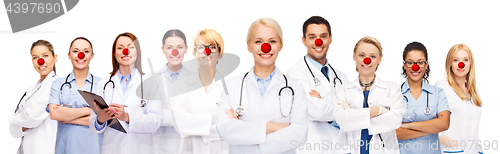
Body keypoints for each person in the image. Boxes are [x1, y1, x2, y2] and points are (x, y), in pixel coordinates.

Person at [215, 18, 308, 154]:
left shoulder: (295, 87)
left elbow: (300, 133)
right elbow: (225, 129)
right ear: (249, 46)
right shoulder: (232, 86)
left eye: (272, 41)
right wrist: (274, 127)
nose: (266, 47)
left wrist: (245, 133)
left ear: (280, 46)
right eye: (258, 41)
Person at [89, 32, 164, 154]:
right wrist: (100, 119)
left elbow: (155, 122)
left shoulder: (150, 83)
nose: (125, 51)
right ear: (114, 54)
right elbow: (93, 126)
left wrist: (126, 117)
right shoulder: (103, 84)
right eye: (120, 48)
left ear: (137, 52)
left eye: (130, 47)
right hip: (112, 148)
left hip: (140, 149)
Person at [286, 16, 348, 154]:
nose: (318, 42)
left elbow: (353, 113)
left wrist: (324, 102)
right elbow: (317, 110)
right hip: (313, 148)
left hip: (343, 148)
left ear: (330, 39)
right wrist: (342, 109)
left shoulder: (341, 77)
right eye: (312, 37)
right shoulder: (295, 74)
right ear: (304, 40)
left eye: (323, 36)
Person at [333, 36, 404, 154]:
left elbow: (394, 120)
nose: (367, 60)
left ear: (379, 59)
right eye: (361, 55)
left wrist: (352, 114)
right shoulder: (342, 89)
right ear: (354, 56)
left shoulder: (392, 88)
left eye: (372, 56)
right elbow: (342, 120)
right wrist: (379, 110)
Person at [170, 29, 229, 154]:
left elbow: (230, 127)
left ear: (220, 52)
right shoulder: (182, 85)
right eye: (201, 47)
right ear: (194, 52)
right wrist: (216, 119)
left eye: (212, 47)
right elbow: (180, 123)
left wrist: (194, 123)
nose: (206, 51)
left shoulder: (230, 86)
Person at [47, 37, 103, 154]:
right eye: (76, 51)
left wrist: (66, 116)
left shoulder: (102, 84)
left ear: (92, 56)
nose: (81, 55)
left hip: (93, 149)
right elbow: (54, 114)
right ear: (69, 55)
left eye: (86, 51)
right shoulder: (58, 84)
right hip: (65, 148)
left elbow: (104, 120)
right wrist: (90, 111)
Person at [396, 42, 450, 154]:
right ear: (404, 65)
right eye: (410, 62)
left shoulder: (437, 92)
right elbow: (393, 132)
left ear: (426, 64)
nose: (415, 67)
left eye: (420, 62)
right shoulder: (395, 93)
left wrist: (407, 126)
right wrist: (431, 129)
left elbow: (444, 124)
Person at [9, 40, 58, 154]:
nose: (40, 61)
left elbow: (32, 117)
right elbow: (12, 131)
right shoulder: (32, 90)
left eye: (45, 55)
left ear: (55, 58)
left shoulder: (55, 85)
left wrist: (13, 120)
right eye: (35, 57)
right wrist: (22, 124)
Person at [434, 44, 482, 154]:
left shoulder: (475, 92)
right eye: (456, 60)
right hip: (452, 151)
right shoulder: (442, 87)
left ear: (471, 64)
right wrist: (454, 144)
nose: (461, 64)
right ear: (450, 63)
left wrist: (478, 148)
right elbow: (430, 125)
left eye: (466, 59)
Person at [153, 29, 192, 154]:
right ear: (163, 50)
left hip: (189, 145)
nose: (175, 52)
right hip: (161, 145)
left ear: (186, 49)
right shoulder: (153, 80)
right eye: (169, 47)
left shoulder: (196, 79)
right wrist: (183, 115)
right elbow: (152, 117)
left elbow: (199, 113)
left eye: (179, 47)